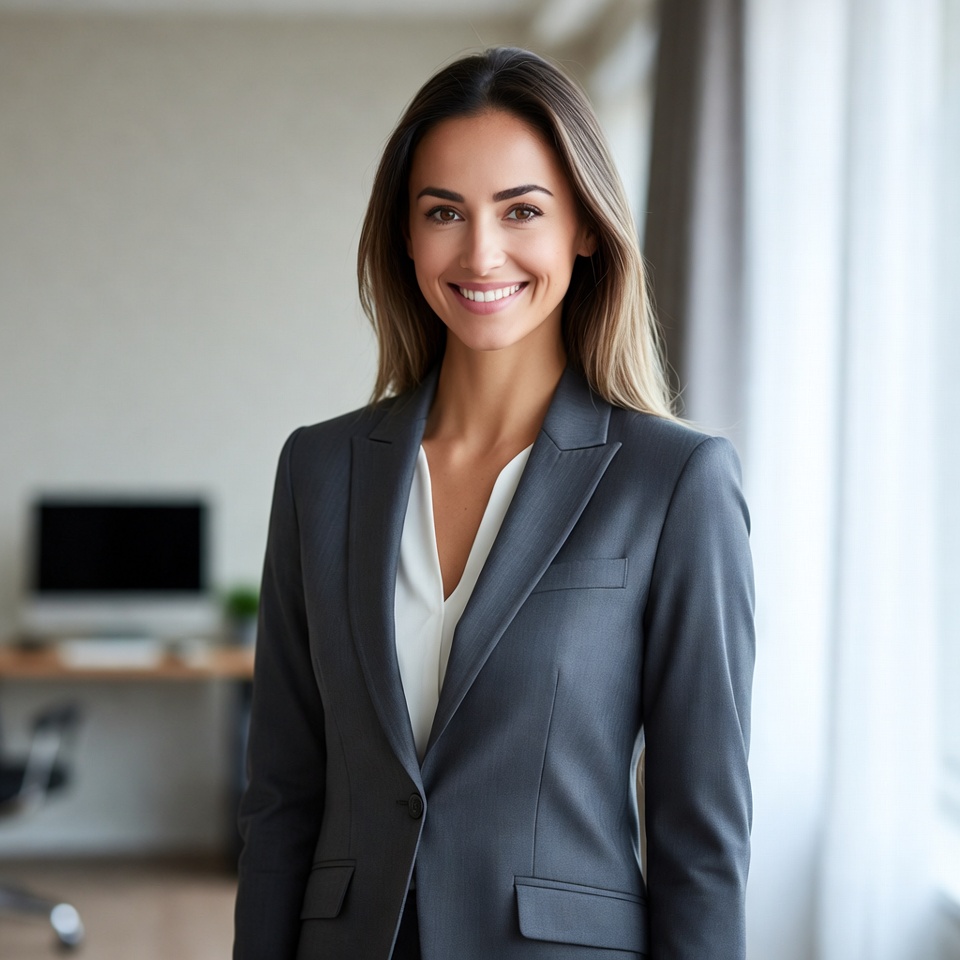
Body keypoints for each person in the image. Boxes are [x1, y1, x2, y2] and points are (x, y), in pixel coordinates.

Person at [233, 46, 754, 960]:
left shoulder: (676, 481)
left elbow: (701, 839)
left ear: (584, 229)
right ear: (404, 233)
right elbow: (283, 796)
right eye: (444, 212)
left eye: (522, 211)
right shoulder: (318, 470)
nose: (481, 253)